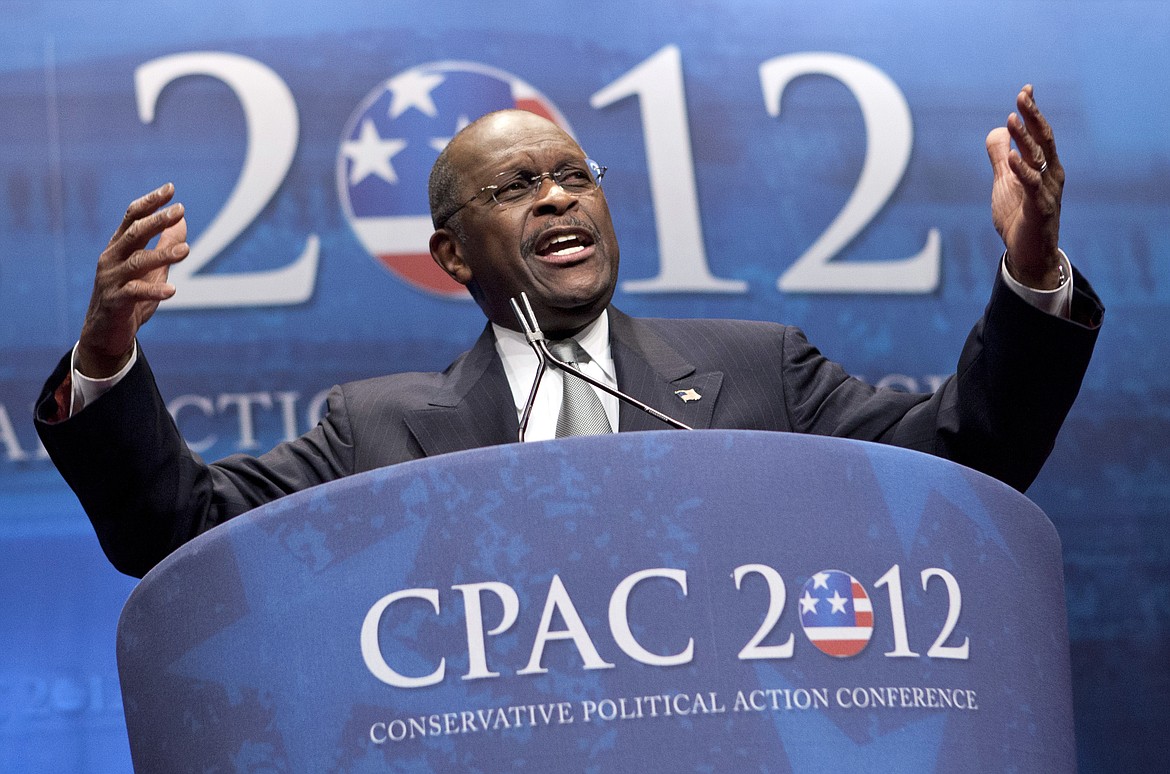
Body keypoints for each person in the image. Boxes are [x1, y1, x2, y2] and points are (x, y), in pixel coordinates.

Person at [36, 86, 1103, 578]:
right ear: (453, 254)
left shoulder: (758, 371)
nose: (555, 199)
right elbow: (172, 534)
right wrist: (104, 360)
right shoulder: (378, 430)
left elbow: (973, 456)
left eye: (571, 176)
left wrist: (1030, 271)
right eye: (515, 186)